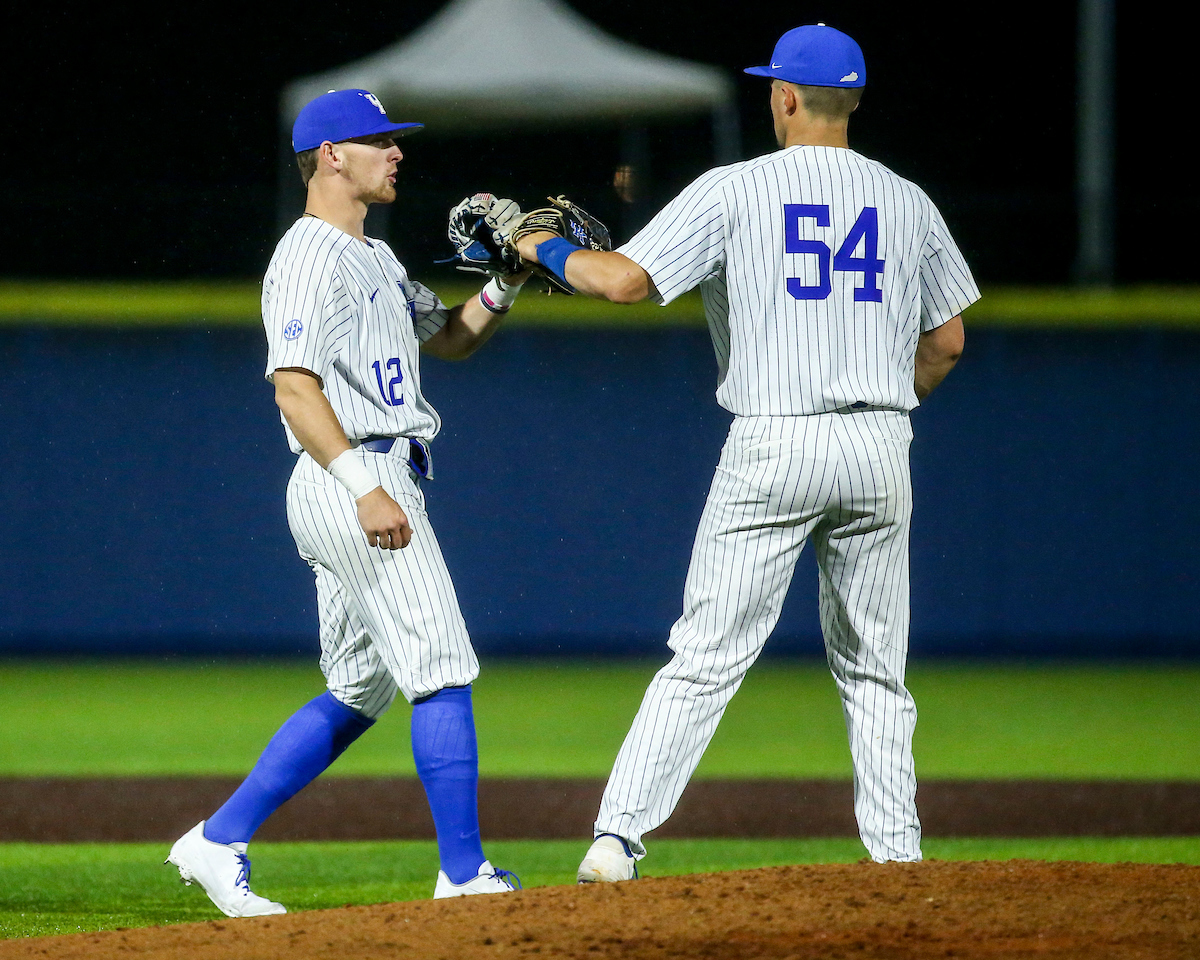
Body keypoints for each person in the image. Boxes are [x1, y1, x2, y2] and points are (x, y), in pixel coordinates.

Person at [510, 24, 978, 879]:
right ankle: (898, 860)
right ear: (857, 100)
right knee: (877, 673)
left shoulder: (736, 188)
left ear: (785, 97)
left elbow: (621, 281)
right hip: (880, 442)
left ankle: (617, 839)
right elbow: (946, 341)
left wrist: (534, 245)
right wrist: (886, 404)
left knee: (707, 656)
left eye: (772, 87)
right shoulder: (908, 199)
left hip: (775, 437)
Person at [166, 88, 529, 916]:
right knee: (441, 669)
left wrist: (504, 281)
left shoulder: (379, 256)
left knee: (359, 689)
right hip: (355, 472)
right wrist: (365, 487)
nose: (397, 152)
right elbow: (293, 388)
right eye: (379, 141)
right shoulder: (307, 257)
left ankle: (217, 840)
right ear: (331, 155)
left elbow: (451, 339)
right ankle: (464, 875)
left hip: (371, 469)